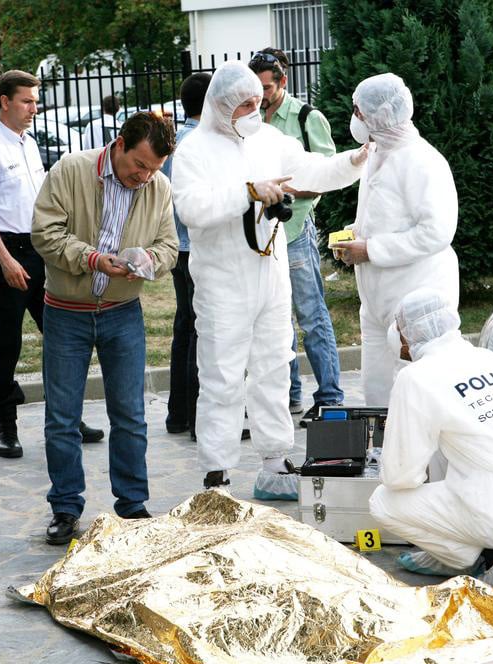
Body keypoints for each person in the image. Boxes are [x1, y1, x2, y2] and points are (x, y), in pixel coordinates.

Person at [171, 61, 367, 501]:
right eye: (243, 104)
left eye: (256, 103)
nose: (252, 111)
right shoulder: (194, 150)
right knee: (221, 374)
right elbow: (192, 209)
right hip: (223, 282)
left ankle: (275, 461)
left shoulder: (269, 140)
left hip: (270, 274)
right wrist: (248, 191)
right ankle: (216, 473)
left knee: (275, 366)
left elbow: (313, 170)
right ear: (221, 105)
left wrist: (355, 160)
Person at [31, 112, 178, 544]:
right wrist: (93, 259)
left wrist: (151, 262)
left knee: (130, 415)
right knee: (61, 417)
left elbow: (169, 245)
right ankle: (65, 508)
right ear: (119, 145)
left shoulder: (159, 187)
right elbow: (44, 232)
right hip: (65, 312)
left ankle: (132, 505)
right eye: (139, 165)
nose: (145, 176)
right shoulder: (71, 169)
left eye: (154, 169)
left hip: (123, 312)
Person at [369, 289, 493, 585]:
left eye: (398, 328)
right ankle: (472, 550)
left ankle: (468, 558)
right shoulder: (486, 357)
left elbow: (399, 476)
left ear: (406, 335)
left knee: (384, 502)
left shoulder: (416, 376)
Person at [0, 70, 103, 458]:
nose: (33, 108)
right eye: (26, 101)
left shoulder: (29, 144)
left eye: (35, 101)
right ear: (5, 102)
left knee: (61, 338)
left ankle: (68, 417)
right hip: (7, 253)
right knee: (6, 343)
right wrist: (6, 260)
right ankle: (6, 426)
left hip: (41, 250)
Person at [331, 73, 459, 408]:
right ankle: (382, 450)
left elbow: (437, 231)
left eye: (359, 112)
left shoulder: (422, 160)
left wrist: (371, 249)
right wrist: (357, 234)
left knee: (416, 388)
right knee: (376, 382)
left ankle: (420, 460)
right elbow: (385, 212)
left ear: (379, 114)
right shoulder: (376, 153)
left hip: (414, 294)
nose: (355, 119)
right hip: (375, 299)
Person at [249, 48, 345, 425]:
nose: (261, 96)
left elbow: (327, 173)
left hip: (296, 231)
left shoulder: (307, 117)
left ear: (283, 82)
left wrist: (287, 188)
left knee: (312, 316)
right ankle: (290, 394)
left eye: (267, 88)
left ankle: (330, 396)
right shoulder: (252, 119)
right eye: (255, 90)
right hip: (263, 233)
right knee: (276, 319)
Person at [162, 72, 210, 438]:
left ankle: (177, 413)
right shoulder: (199, 143)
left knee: (184, 328)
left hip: (177, 247)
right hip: (194, 246)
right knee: (200, 330)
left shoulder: (174, 141)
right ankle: (197, 417)